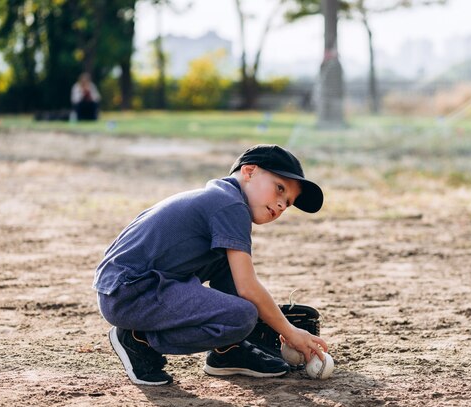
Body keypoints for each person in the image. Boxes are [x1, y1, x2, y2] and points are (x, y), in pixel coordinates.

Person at [93, 144, 328, 385]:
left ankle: (229, 351)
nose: (281, 205)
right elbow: (248, 287)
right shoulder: (231, 205)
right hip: (130, 293)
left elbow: (240, 281)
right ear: (249, 172)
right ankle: (138, 339)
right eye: (280, 189)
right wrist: (289, 332)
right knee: (242, 316)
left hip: (129, 286)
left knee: (228, 263)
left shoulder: (222, 197)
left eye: (287, 203)